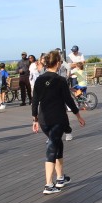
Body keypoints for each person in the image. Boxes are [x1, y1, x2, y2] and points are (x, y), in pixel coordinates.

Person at [31, 50, 84, 194]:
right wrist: (78, 116)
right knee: (52, 148)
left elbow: (35, 101)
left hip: (43, 119)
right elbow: (69, 100)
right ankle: (48, 184)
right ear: (58, 63)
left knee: (57, 144)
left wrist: (35, 119)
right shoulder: (60, 80)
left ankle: (60, 178)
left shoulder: (39, 80)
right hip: (57, 119)